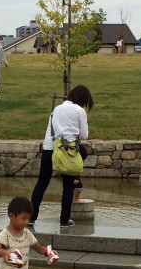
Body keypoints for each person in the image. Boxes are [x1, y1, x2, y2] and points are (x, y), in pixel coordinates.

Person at [30, 85, 94, 228]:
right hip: (67, 150)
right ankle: (64, 220)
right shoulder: (79, 111)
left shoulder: (56, 109)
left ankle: (31, 218)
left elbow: (50, 130)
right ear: (82, 99)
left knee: (41, 183)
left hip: (49, 148)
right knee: (68, 185)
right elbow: (84, 135)